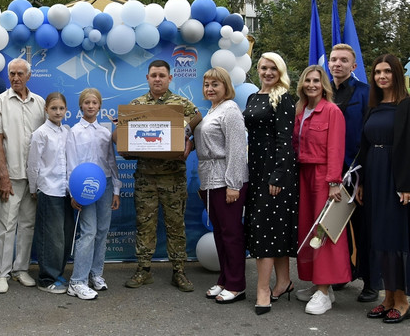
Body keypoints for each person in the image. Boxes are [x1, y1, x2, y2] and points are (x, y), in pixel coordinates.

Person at [358, 54, 410, 324]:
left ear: (397, 74)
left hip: (397, 181)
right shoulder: (374, 108)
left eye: (387, 71)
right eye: (378, 71)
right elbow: (365, 147)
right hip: (374, 177)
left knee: (396, 238)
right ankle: (388, 297)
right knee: (379, 238)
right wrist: (362, 183)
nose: (382, 76)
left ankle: (402, 301)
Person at [124, 60, 200, 292]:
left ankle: (179, 271)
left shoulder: (182, 104)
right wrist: (126, 145)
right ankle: (143, 270)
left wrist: (189, 147)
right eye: (154, 75)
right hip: (146, 177)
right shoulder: (136, 106)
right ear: (147, 78)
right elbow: (127, 140)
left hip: (173, 177)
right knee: (144, 225)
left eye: (162, 75)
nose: (158, 79)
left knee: (176, 225)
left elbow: (199, 123)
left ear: (170, 78)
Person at [243, 52, 297, 315]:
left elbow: (285, 140)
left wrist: (278, 175)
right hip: (255, 170)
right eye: (263, 67)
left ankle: (263, 290)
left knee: (265, 230)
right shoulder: (253, 97)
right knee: (273, 227)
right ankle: (284, 282)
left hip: (273, 172)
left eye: (273, 68)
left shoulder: (284, 98)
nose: (267, 72)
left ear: (280, 71)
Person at [293, 65, 349, 315]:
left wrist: (334, 182)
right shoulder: (300, 110)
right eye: (308, 80)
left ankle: (325, 292)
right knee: (307, 230)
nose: (311, 84)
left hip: (323, 177)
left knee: (323, 231)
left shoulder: (332, 111)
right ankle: (318, 284)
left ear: (323, 84)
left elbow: (336, 148)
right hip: (303, 175)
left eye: (316, 80)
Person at [0, 58, 46, 294]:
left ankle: (20, 269)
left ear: (29, 76)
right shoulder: (0, 102)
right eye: (12, 73)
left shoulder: (40, 103)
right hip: (10, 175)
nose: (15, 78)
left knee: (27, 224)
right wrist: (2, 176)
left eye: (20, 73)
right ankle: (1, 273)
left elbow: (46, 140)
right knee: (6, 225)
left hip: (34, 177)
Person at [194, 67, 248, 304]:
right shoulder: (212, 111)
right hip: (209, 180)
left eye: (215, 84)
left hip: (227, 180)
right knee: (220, 233)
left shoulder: (231, 110)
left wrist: (233, 184)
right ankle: (224, 278)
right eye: (207, 84)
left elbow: (237, 149)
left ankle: (237, 284)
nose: (210, 88)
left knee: (231, 233)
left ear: (226, 86)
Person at [328, 44, 375, 302]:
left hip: (357, 172)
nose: (338, 64)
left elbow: (369, 137)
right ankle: (343, 273)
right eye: (334, 59)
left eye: (344, 60)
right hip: (332, 173)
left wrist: (363, 180)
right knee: (336, 226)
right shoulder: (322, 93)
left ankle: (370, 281)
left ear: (353, 66)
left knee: (364, 228)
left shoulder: (366, 93)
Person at [66, 88, 121, 300]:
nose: (90, 106)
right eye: (86, 102)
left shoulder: (105, 132)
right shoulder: (74, 131)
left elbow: (111, 161)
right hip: (84, 186)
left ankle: (96, 274)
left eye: (94, 102)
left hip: (105, 184)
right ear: (81, 106)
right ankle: (77, 281)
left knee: (102, 230)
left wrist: (116, 189)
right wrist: (73, 192)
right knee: (88, 231)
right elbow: (71, 163)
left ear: (99, 106)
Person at [27, 92, 72, 294]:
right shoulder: (40, 133)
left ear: (66, 110)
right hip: (48, 189)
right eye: (54, 108)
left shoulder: (67, 132)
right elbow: (34, 164)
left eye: (61, 108)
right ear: (46, 110)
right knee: (51, 237)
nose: (58, 112)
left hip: (66, 191)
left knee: (64, 235)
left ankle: (58, 273)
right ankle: (46, 279)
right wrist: (34, 188)